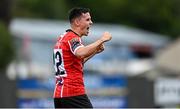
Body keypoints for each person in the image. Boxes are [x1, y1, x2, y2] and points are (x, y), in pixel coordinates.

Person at [53, 7, 112, 108]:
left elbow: (75, 62)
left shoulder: (63, 37)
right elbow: (80, 53)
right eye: (88, 20)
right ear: (77, 22)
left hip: (60, 95)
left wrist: (95, 51)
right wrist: (102, 39)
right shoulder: (72, 38)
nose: (91, 22)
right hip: (73, 93)